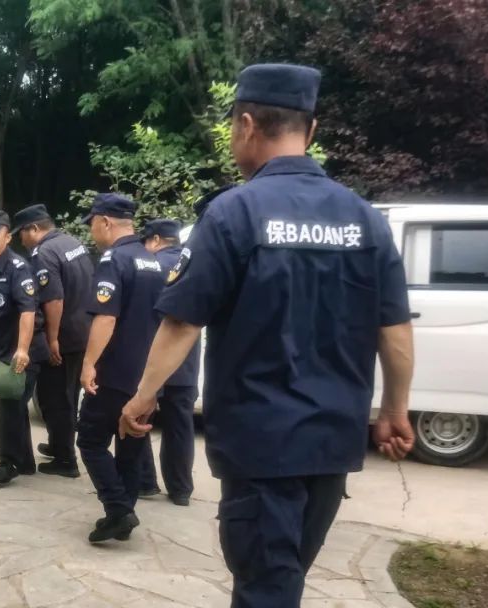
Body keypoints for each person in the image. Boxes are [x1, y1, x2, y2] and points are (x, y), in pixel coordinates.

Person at [119, 64, 415, 608]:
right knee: (281, 580)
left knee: (265, 589)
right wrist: (395, 409)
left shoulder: (233, 214)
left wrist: (143, 397)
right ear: (312, 130)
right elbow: (394, 331)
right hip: (331, 447)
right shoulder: (365, 219)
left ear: (247, 125)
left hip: (262, 447)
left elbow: (183, 321)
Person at [76, 193, 168, 543]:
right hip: (147, 376)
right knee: (130, 445)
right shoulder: (153, 261)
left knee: (90, 441)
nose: (92, 231)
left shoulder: (114, 260)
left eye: (92, 224)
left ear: (105, 222)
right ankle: (124, 515)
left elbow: (106, 318)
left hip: (114, 374)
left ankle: (117, 509)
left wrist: (88, 364)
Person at [12, 203, 94, 478]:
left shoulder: (44, 253)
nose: (21, 240)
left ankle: (65, 460)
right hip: (83, 330)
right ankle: (59, 444)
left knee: (54, 398)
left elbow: (54, 299)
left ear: (34, 228)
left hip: (64, 336)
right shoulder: (72, 243)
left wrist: (53, 339)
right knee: (69, 393)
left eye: (22, 233)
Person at [0, 209, 49, 484]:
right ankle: (24, 462)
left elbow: (28, 311)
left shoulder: (18, 268)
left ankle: (9, 463)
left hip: (23, 351)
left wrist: (22, 350)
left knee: (8, 404)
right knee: (12, 404)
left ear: (7, 237)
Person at [136, 219, 201, 506]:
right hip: (185, 362)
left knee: (140, 418)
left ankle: (145, 482)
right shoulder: (193, 265)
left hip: (152, 359)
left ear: (155, 240)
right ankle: (181, 489)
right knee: (180, 426)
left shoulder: (149, 267)